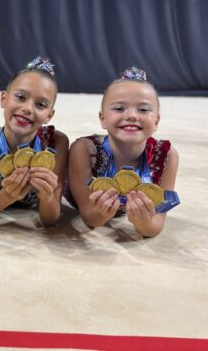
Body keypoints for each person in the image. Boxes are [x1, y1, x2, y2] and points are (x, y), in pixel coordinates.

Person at [67, 67, 179, 237]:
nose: (132, 116)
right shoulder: (84, 150)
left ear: (156, 121)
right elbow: (90, 218)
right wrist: (100, 214)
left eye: (143, 109)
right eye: (119, 108)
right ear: (102, 118)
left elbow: (157, 224)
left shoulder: (167, 157)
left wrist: (144, 222)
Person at [0, 57, 68, 225]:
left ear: (49, 115)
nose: (28, 108)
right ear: (4, 99)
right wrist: (7, 196)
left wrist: (48, 196)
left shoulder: (56, 142)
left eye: (41, 104)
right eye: (21, 97)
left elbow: (50, 219)